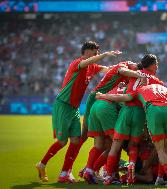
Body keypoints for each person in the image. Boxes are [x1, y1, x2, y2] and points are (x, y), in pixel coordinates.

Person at [35, 41, 121, 183]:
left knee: (76, 140)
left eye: (98, 53)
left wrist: (122, 67)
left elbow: (108, 70)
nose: (97, 55)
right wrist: (105, 55)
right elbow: (90, 62)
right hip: (63, 105)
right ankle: (42, 164)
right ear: (87, 52)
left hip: (74, 108)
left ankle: (64, 174)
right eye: (95, 52)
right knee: (62, 142)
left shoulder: (92, 66)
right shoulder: (77, 63)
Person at [96, 83, 167, 187]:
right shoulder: (163, 87)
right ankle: (160, 177)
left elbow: (124, 97)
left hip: (154, 110)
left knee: (160, 150)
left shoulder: (140, 89)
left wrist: (103, 96)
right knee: (165, 148)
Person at [101, 54, 164, 185]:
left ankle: (108, 176)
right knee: (134, 145)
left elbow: (120, 77)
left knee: (116, 144)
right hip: (139, 113)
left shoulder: (133, 74)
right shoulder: (156, 80)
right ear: (152, 65)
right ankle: (131, 172)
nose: (157, 66)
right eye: (156, 63)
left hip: (126, 110)